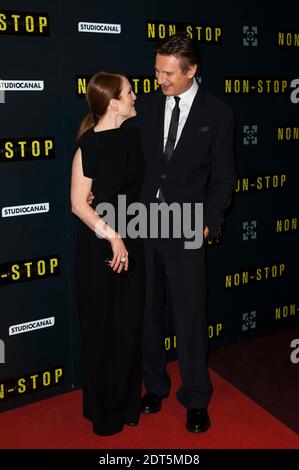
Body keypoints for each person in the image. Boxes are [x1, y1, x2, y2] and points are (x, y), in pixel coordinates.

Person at [135, 33, 236, 433]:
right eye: (157, 70)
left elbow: (224, 176)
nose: (160, 79)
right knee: (147, 312)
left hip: (189, 225)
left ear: (192, 70)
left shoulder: (218, 113)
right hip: (144, 221)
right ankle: (155, 385)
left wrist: (213, 217)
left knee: (191, 316)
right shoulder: (145, 106)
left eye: (168, 73)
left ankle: (196, 398)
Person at [71, 71, 145, 436]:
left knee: (129, 326)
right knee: (102, 329)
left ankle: (128, 404)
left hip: (135, 241)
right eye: (130, 92)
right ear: (113, 102)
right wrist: (113, 237)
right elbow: (77, 205)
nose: (136, 97)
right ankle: (105, 414)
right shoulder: (88, 146)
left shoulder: (134, 134)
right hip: (100, 247)